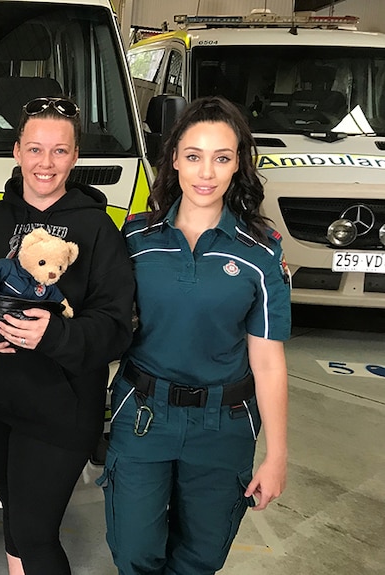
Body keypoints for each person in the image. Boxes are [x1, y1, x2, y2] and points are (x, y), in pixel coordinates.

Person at [100, 96, 291, 575]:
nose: (206, 172)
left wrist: (278, 455)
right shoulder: (135, 240)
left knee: (200, 558)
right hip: (143, 415)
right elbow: (100, 324)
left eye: (221, 158)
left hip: (224, 424)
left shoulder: (260, 252)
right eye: (193, 156)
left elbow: (268, 361)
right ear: (174, 161)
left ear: (237, 166)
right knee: (134, 551)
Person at [0, 96, 135, 575]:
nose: (45, 163)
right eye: (35, 149)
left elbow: (116, 327)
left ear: (74, 157)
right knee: (17, 520)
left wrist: (53, 335)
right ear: (16, 152)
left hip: (61, 408)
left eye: (59, 151)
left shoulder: (98, 229)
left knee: (34, 532)